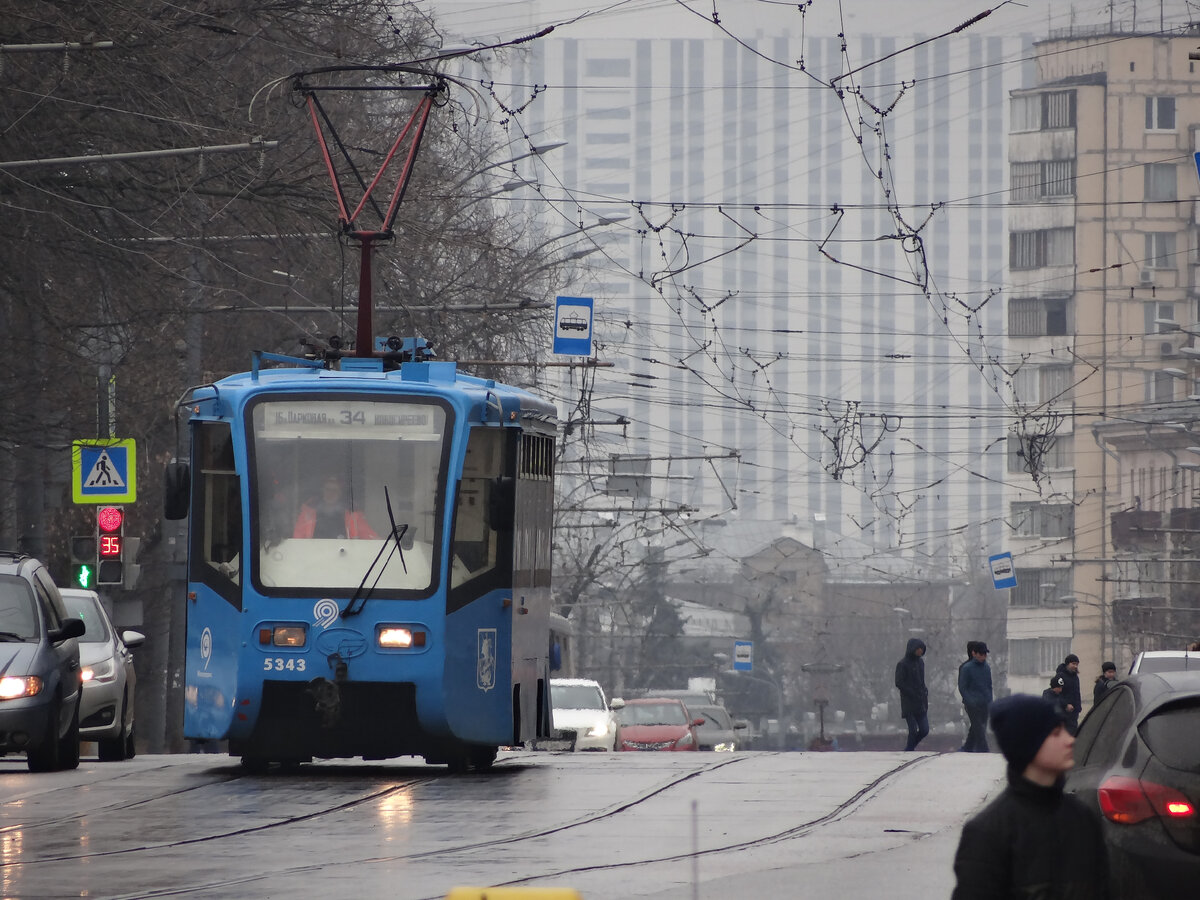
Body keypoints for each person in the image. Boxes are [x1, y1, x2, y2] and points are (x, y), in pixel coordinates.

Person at [951, 694, 1109, 898]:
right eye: (1055, 733)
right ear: (1027, 744)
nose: (1070, 740)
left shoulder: (1083, 818)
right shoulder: (988, 833)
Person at [293, 475, 378, 539]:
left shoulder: (353, 515)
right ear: (322, 491)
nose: (331, 493)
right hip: (313, 557)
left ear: (340, 493)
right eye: (328, 489)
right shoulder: (308, 514)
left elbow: (369, 537)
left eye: (335, 490)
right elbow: (297, 538)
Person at [894, 637, 929, 751]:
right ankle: (909, 749)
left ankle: (910, 747)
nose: (920, 651)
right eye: (918, 648)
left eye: (922, 649)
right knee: (913, 730)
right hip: (909, 702)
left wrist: (924, 691)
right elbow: (899, 682)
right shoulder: (902, 664)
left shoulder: (920, 663)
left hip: (920, 701)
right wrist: (911, 692)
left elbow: (922, 680)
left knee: (924, 729)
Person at [958, 641, 993, 752]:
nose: (984, 656)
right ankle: (984, 750)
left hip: (984, 703)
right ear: (974, 653)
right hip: (972, 704)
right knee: (979, 728)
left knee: (977, 727)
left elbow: (989, 685)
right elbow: (962, 687)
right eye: (981, 654)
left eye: (985, 654)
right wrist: (969, 701)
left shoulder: (986, 667)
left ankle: (967, 747)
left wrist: (990, 700)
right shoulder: (966, 668)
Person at [1055, 653, 1082, 733]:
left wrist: (1078, 707)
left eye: (1077, 664)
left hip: (1074, 713)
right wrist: (1065, 705)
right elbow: (1056, 694)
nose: (1075, 666)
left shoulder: (1075, 677)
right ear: (1067, 664)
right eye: (1073, 664)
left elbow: (1077, 693)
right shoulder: (1060, 676)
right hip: (1064, 713)